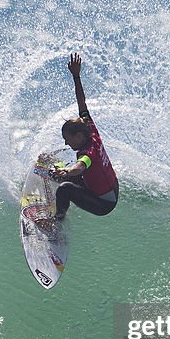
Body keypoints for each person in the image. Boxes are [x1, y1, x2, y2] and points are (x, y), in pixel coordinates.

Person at [51, 53, 119, 221]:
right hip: (111, 188)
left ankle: (57, 220)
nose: (66, 142)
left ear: (79, 135)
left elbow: (80, 167)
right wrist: (76, 76)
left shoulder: (88, 153)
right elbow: (81, 102)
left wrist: (67, 172)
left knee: (64, 187)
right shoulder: (90, 129)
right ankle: (58, 176)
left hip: (104, 203)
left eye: (68, 138)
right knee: (61, 173)